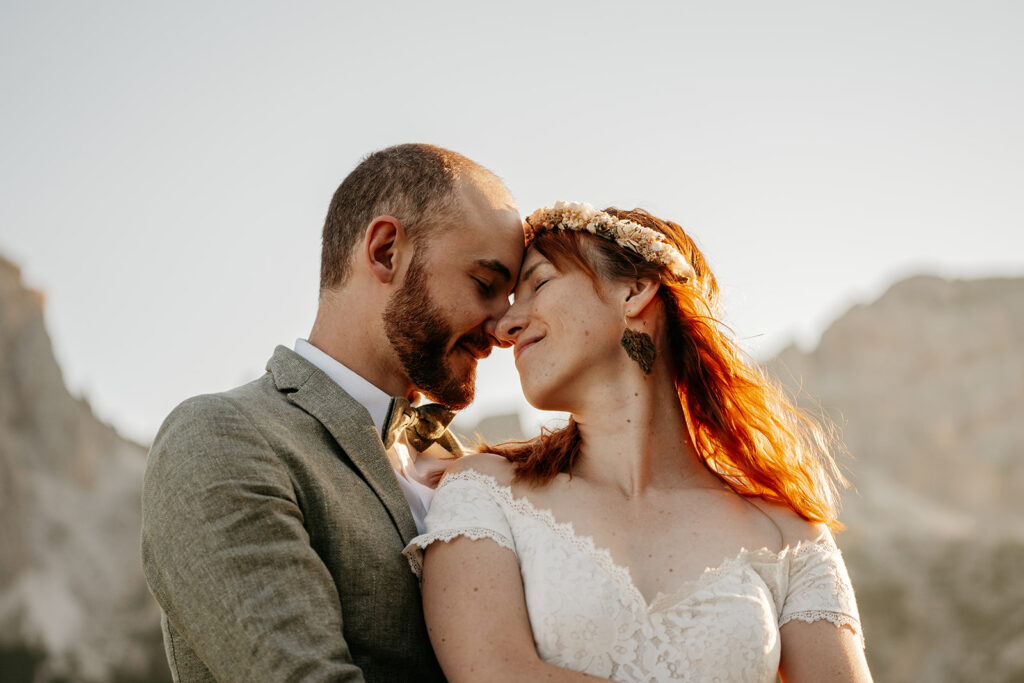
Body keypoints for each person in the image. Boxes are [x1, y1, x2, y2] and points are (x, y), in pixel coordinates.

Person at [405, 202, 873, 682]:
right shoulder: (484, 492)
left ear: (634, 290)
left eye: (539, 283)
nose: (504, 327)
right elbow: (493, 674)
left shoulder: (787, 534)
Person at [140, 143, 525, 681]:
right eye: (486, 285)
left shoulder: (463, 464)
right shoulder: (223, 436)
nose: (503, 328)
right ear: (387, 251)